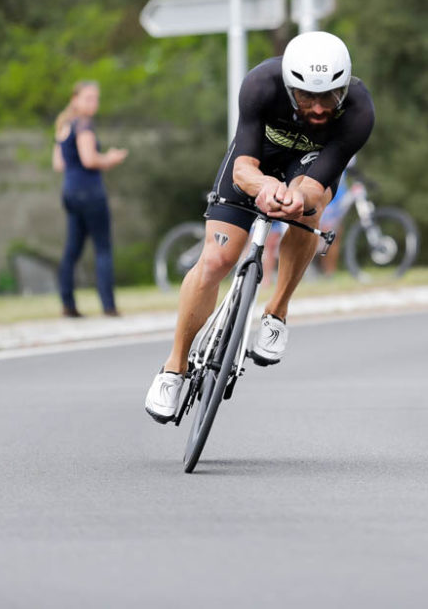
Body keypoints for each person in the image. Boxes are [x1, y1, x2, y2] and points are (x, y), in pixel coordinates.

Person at [144, 31, 375, 423]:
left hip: (308, 168)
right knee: (216, 260)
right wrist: (265, 187)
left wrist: (295, 199)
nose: (318, 109)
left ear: (344, 87)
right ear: (289, 88)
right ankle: (174, 367)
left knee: (310, 214)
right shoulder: (260, 84)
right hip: (257, 162)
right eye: (306, 97)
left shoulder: (359, 111)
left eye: (329, 97)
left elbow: (316, 186)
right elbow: (242, 167)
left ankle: (277, 311)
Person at [52, 80, 128, 318]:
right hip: (90, 191)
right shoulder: (83, 125)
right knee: (102, 248)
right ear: (75, 99)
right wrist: (110, 159)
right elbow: (89, 160)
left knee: (72, 249)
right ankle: (108, 305)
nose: (93, 103)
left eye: (96, 98)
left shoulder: (63, 126)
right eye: (88, 98)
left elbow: (58, 164)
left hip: (70, 191)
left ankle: (67, 303)